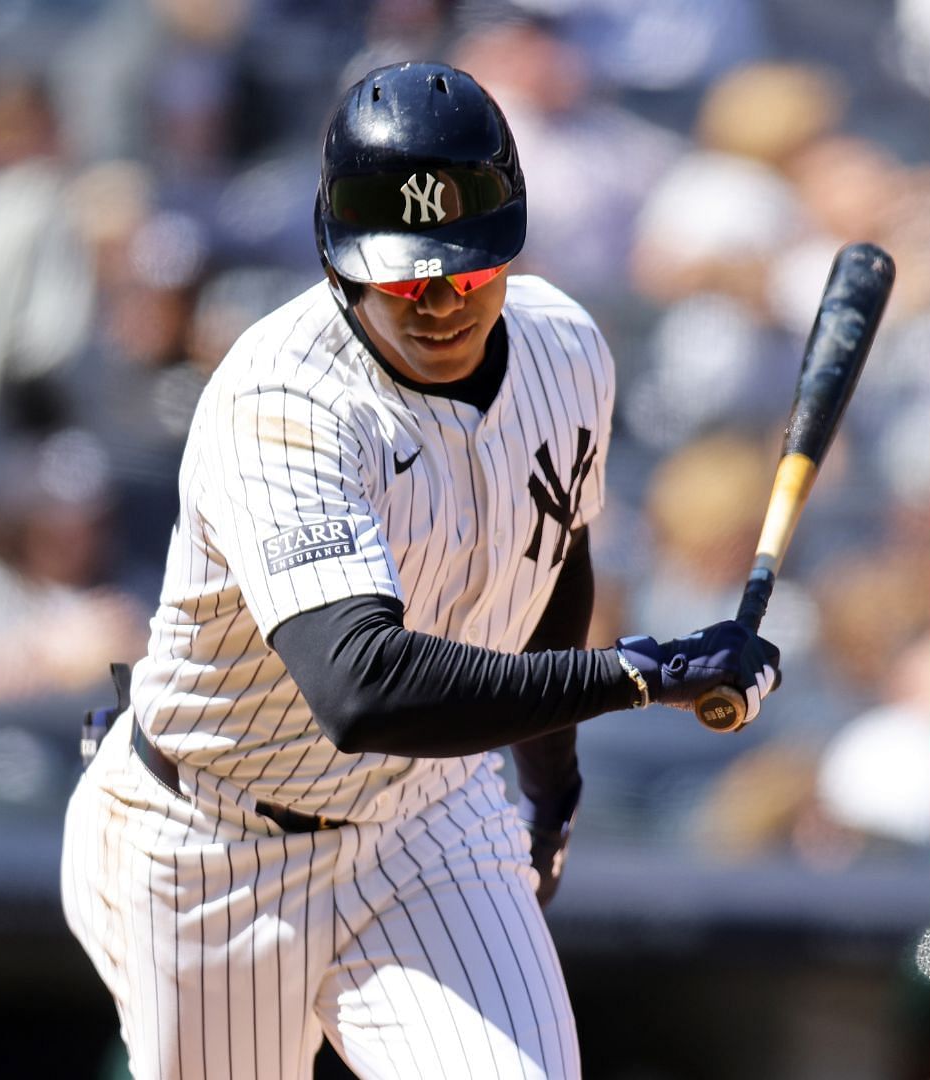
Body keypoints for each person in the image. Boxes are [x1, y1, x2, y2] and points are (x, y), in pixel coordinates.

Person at [58, 63, 780, 1080]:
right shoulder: (282, 400)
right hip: (212, 838)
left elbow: (548, 576)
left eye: (467, 270)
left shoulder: (568, 351)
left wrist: (552, 791)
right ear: (334, 256)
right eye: (403, 275)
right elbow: (361, 690)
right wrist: (640, 675)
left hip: (426, 820)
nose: (438, 300)